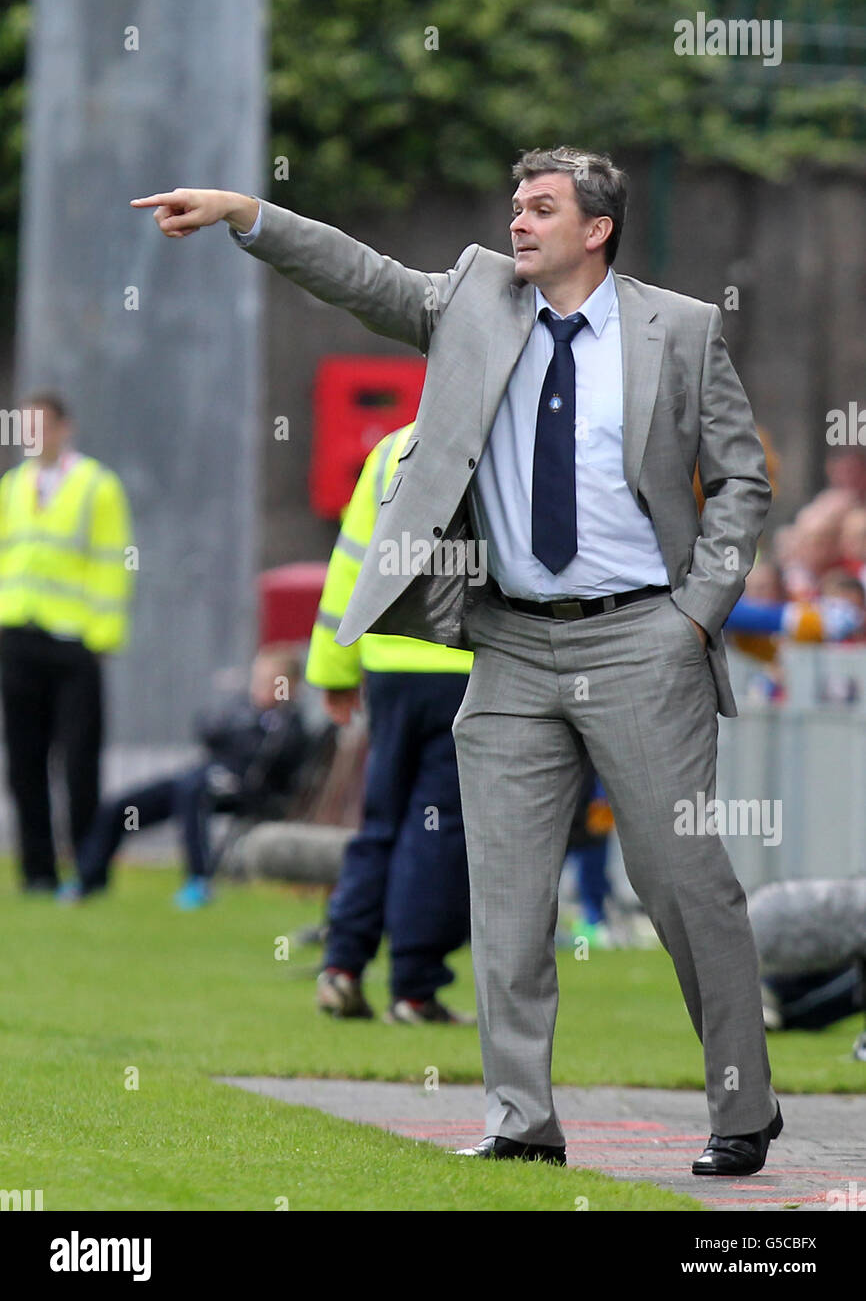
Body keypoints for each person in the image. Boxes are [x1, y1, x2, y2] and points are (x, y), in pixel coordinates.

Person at [132, 146, 782, 1176]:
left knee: (683, 883)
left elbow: (739, 480)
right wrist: (249, 214)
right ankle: (522, 1121)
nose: (517, 222)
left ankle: (741, 1110)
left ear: (596, 228)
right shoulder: (473, 296)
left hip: (640, 640)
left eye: (540, 208)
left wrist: (693, 616)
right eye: (513, 205)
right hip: (510, 643)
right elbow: (363, 277)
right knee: (510, 898)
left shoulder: (683, 328)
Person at [307, 422, 473, 1024]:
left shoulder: (390, 450)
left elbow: (351, 561)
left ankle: (343, 965)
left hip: (387, 665)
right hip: (464, 666)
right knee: (438, 827)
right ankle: (415, 987)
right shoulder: (506, 438)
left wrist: (333, 667)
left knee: (381, 820)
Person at [0, 391, 134, 892]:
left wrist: (103, 636)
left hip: (74, 641)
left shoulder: (97, 486)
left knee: (79, 760)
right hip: (18, 635)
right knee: (23, 760)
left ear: (64, 429)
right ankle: (37, 872)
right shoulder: (12, 486)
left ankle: (87, 866)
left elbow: (112, 562)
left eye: (41, 426)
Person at [61, 646, 314, 907]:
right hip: (200, 780)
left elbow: (266, 759)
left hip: (244, 792)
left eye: (269, 680)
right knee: (123, 807)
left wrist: (242, 731)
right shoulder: (242, 711)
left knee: (192, 790)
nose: (258, 687)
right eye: (256, 679)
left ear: (289, 685)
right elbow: (209, 730)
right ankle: (88, 878)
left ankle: (199, 881)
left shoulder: (288, 724)